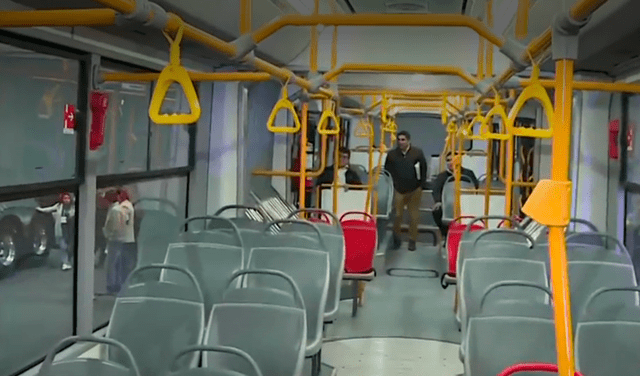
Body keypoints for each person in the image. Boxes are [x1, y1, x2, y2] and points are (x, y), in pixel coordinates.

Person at [384, 131, 427, 251]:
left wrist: (421, 186)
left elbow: (423, 169)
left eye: (403, 140)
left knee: (414, 217)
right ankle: (396, 239)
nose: (400, 142)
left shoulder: (417, 153)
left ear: (408, 141)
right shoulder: (392, 155)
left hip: (414, 189)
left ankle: (412, 240)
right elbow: (387, 171)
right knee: (397, 216)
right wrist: (391, 186)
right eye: (399, 140)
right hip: (398, 189)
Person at [431, 152, 480, 239]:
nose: (451, 162)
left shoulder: (469, 174)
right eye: (448, 160)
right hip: (448, 204)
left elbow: (476, 188)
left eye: (453, 160)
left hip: (467, 203)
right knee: (436, 211)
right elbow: (436, 190)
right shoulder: (442, 176)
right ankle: (446, 234)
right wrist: (438, 201)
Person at [103, 188, 137, 294]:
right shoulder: (125, 206)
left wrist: (108, 235)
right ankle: (118, 284)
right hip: (125, 238)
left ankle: (113, 285)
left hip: (117, 239)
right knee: (120, 264)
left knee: (112, 264)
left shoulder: (119, 209)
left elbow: (116, 226)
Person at [36, 192, 75, 270]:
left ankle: (68, 260)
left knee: (71, 246)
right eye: (65, 198)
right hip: (62, 229)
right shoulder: (59, 206)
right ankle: (65, 262)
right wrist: (39, 209)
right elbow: (48, 209)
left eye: (67, 198)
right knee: (63, 246)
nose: (66, 200)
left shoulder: (74, 207)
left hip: (71, 229)